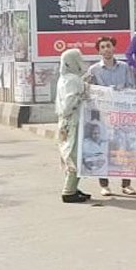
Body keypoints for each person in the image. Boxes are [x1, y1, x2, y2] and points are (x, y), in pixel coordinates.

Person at [88, 36, 136, 196]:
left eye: (108, 46)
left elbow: (132, 87)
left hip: (123, 116)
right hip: (103, 117)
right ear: (99, 50)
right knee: (103, 149)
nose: (106, 49)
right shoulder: (94, 70)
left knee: (125, 149)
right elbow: (88, 90)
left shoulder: (124, 67)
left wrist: (121, 91)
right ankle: (104, 184)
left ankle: (126, 184)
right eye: (102, 47)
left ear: (113, 48)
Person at [56, 49, 90, 204]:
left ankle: (73, 187)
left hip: (64, 123)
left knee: (68, 154)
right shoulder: (73, 80)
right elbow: (69, 103)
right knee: (74, 156)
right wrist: (81, 96)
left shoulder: (63, 78)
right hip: (73, 123)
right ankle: (69, 191)